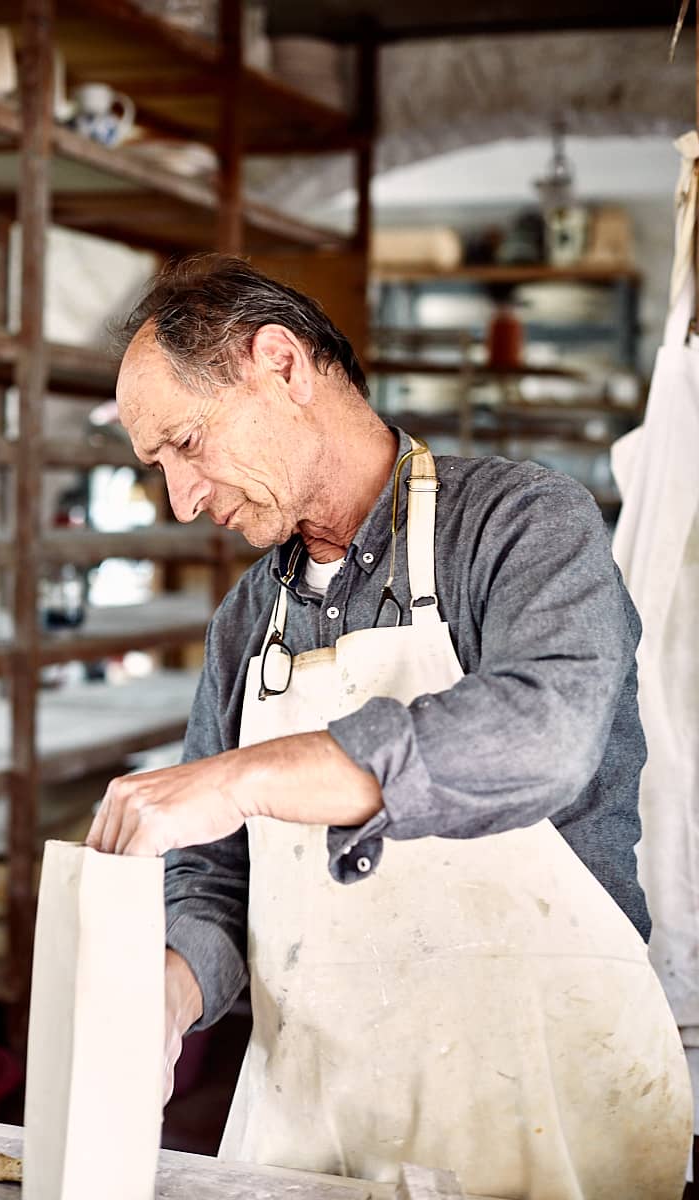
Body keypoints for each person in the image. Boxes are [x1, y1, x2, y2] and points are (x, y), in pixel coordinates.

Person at [86, 256, 691, 1199]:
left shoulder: (520, 527)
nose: (183, 498)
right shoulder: (250, 622)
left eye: (187, 443)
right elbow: (212, 877)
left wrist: (248, 775)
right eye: (160, 467)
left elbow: (546, 732)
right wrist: (175, 983)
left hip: (546, 1114)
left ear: (280, 365)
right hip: (318, 1120)